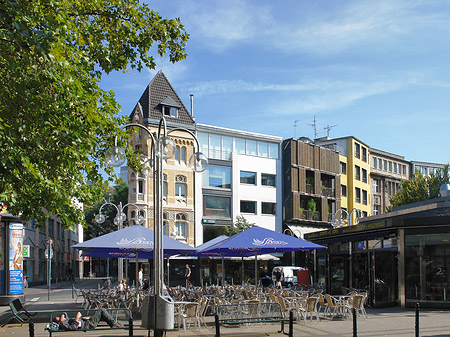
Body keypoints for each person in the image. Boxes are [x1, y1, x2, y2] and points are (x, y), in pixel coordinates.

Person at [54, 309, 121, 330]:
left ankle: (113, 323)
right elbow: (73, 327)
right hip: (88, 325)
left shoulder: (65, 320)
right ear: (57, 321)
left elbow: (64, 312)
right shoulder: (63, 324)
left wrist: (62, 315)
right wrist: (77, 318)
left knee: (102, 315)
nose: (60, 317)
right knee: (101, 310)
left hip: (87, 321)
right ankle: (114, 323)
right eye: (58, 317)